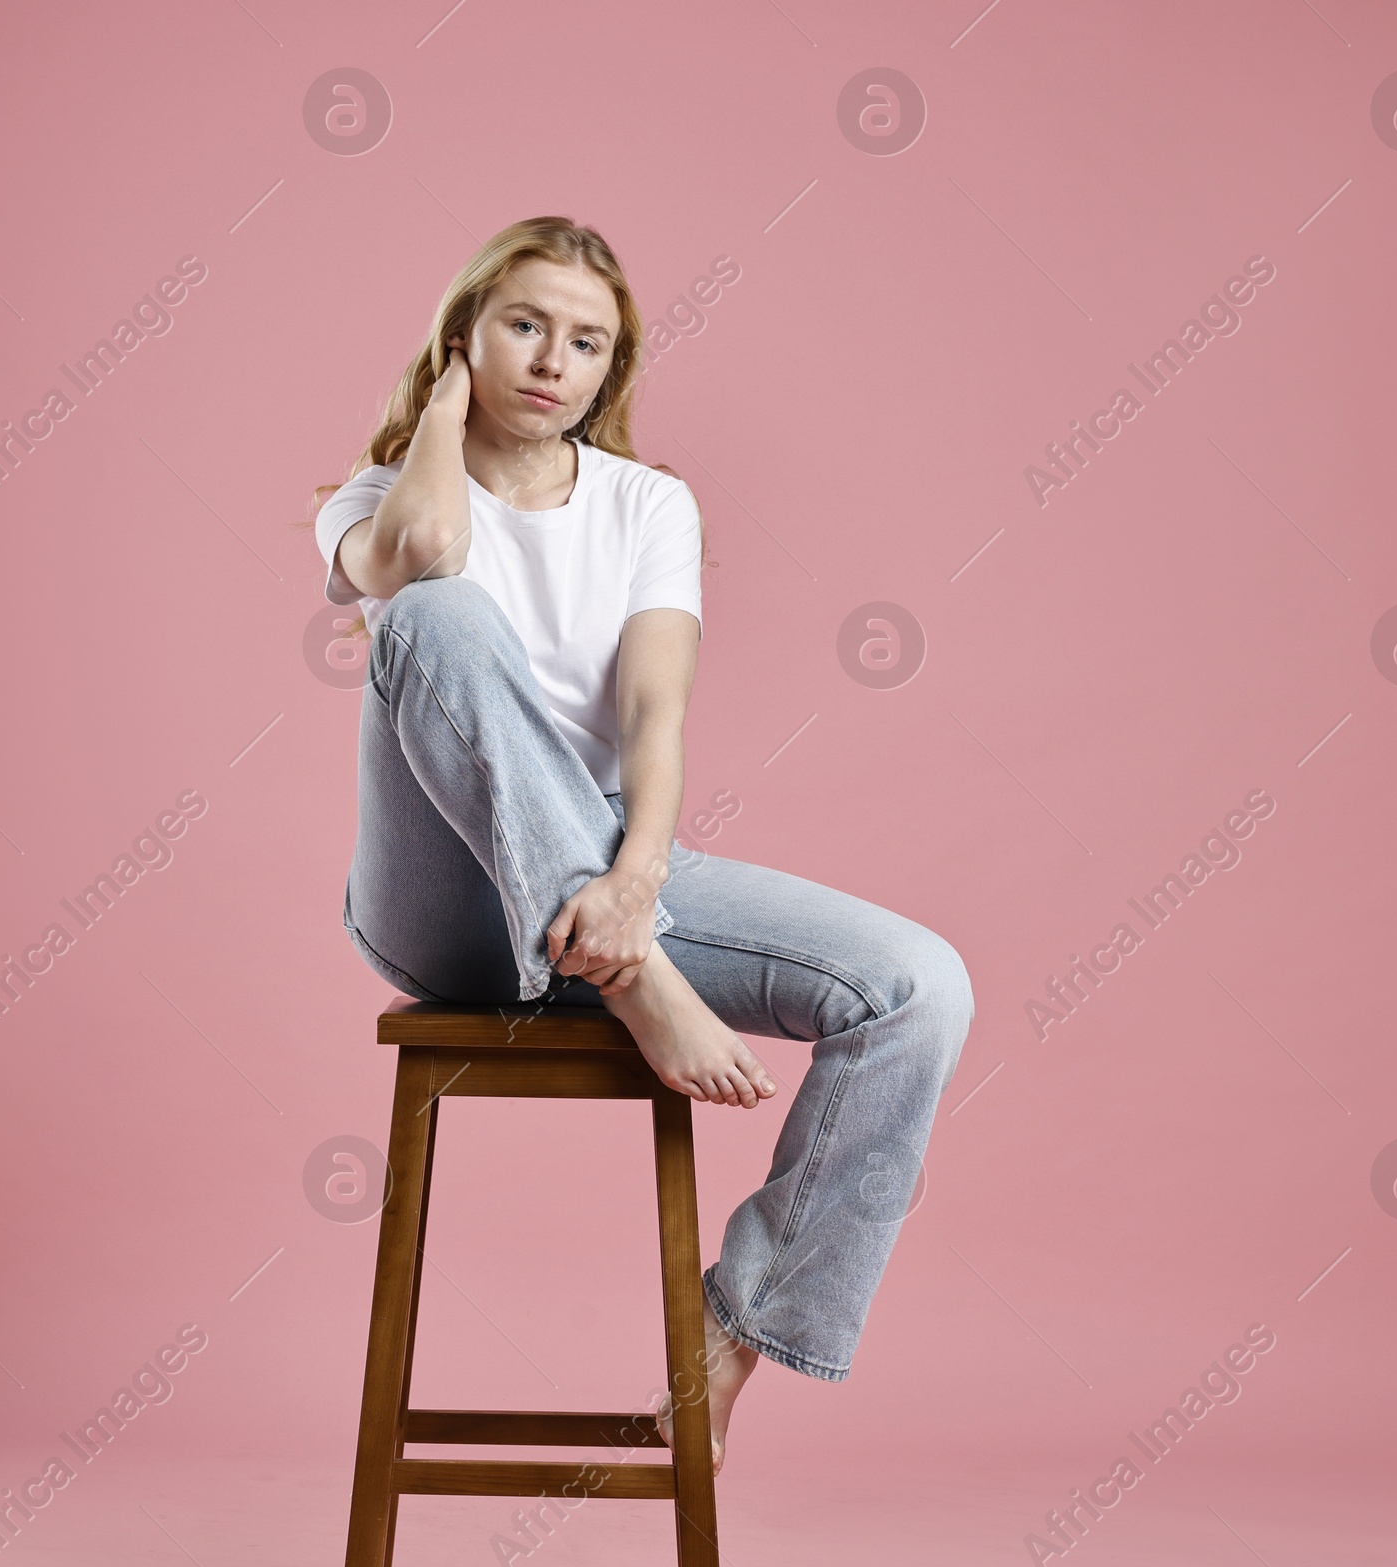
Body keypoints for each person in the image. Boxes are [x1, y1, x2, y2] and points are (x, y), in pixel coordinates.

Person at [313, 216, 974, 1474]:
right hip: (440, 908)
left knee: (919, 988)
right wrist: (441, 421)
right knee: (434, 615)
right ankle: (636, 981)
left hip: (606, 881)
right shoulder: (377, 497)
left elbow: (655, 716)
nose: (552, 361)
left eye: (586, 342)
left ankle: (731, 1334)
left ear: (611, 370)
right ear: (465, 336)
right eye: (521, 326)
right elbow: (419, 562)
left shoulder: (648, 505)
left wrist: (634, 886)